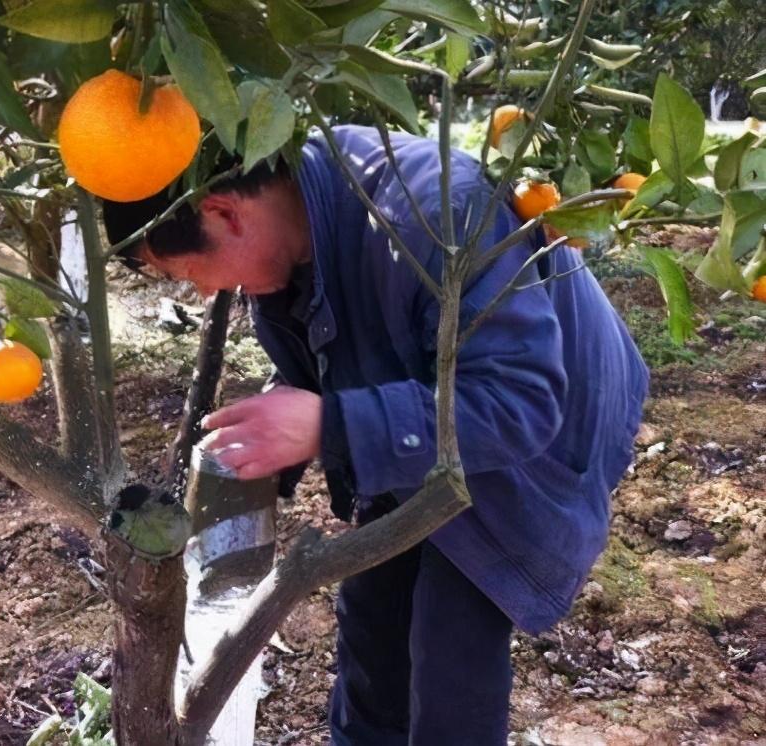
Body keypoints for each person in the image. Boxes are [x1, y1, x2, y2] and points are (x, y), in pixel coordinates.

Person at [103, 125, 649, 745]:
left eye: (191, 270)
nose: (203, 292)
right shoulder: (294, 234)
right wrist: (283, 431)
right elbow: (342, 332)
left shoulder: (431, 212)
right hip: (431, 411)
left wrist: (329, 424)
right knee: (373, 620)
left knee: (452, 647)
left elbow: (517, 402)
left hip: (544, 426)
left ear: (225, 212)